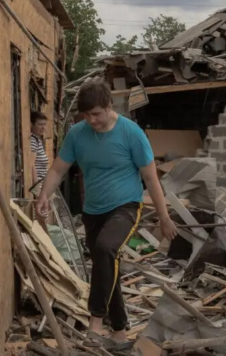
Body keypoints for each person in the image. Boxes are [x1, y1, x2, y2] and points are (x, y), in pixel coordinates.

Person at [34, 82, 178, 349]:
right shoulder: (77, 134)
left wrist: (164, 216)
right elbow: (57, 170)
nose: (91, 120)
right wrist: (44, 195)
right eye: (86, 115)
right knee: (106, 265)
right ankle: (120, 331)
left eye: (96, 114)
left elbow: (150, 177)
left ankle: (96, 322)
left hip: (125, 207)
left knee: (105, 249)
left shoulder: (131, 134)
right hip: (93, 212)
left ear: (109, 107)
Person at [30, 112, 49, 189]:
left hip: (42, 185)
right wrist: (36, 187)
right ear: (32, 124)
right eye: (40, 124)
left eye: (44, 124)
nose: (43, 127)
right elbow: (31, 164)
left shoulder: (38, 140)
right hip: (38, 186)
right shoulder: (32, 140)